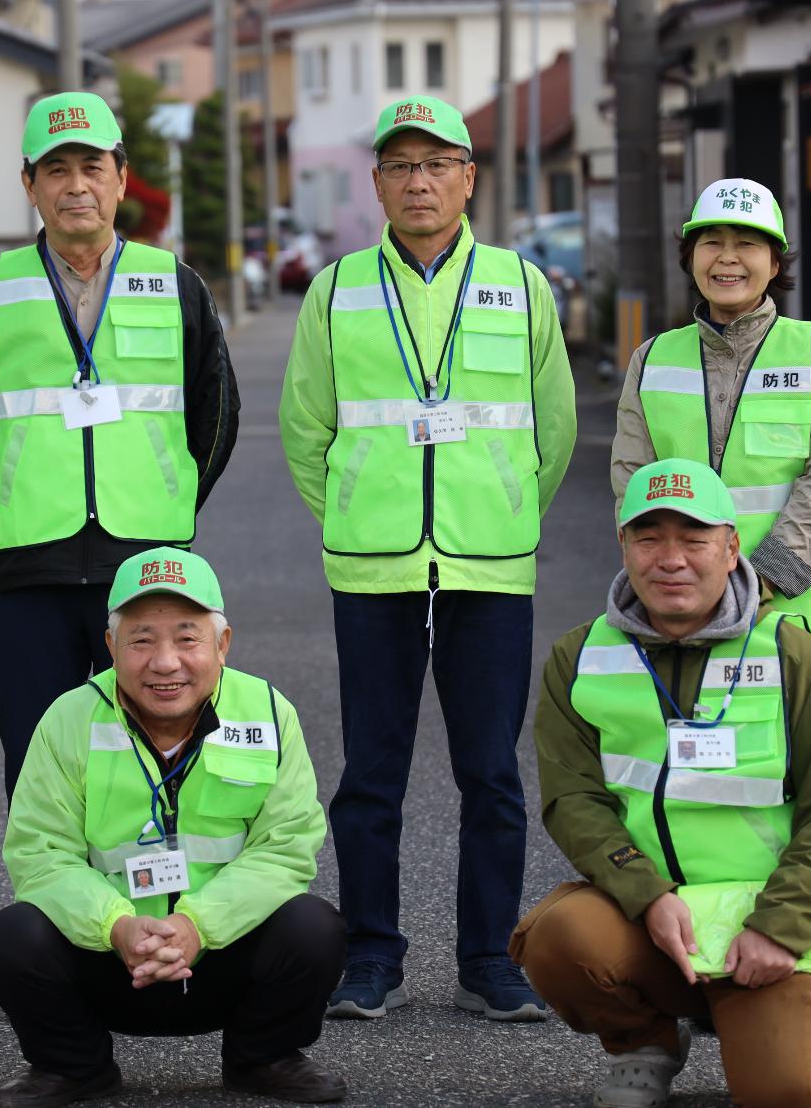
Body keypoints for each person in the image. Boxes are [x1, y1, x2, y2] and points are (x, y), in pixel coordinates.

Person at [278, 94, 577, 1023]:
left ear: (468, 178)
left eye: (437, 163)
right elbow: (306, 425)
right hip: (374, 565)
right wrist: (359, 509)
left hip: (490, 562)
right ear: (376, 183)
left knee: (490, 769)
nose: (419, 180)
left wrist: (506, 505)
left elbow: (553, 426)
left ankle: (490, 956)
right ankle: (371, 955)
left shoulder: (523, 287)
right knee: (372, 769)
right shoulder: (336, 290)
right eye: (401, 165)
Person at [512, 459, 811, 1108]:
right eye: (649, 537)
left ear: (731, 548)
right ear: (623, 545)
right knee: (558, 939)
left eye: (694, 538)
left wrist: (781, 926)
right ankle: (644, 1042)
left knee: (793, 1091)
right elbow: (574, 801)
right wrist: (646, 894)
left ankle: (758, 1008)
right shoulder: (580, 656)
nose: (670, 558)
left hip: (769, 924)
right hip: (657, 919)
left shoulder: (791, 652)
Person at [0, 91, 240, 797]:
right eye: (56, 168)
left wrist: (169, 498)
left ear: (121, 178)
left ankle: (150, 909)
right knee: (41, 768)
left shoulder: (176, 286)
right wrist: (11, 505)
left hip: (148, 574)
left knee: (152, 764)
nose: (76, 185)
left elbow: (216, 417)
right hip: (27, 577)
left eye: (92, 166)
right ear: (29, 184)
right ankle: (51, 909)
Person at [0, 549, 347, 1107]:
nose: (166, 662)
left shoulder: (269, 713)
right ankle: (75, 1067)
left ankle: (263, 1057)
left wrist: (198, 925)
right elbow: (40, 854)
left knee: (315, 927)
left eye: (187, 638)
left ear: (222, 644)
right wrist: (117, 927)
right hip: (110, 958)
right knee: (13, 937)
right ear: (111, 647)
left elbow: (286, 849)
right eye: (143, 639)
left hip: (222, 955)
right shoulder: (69, 719)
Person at [612, 177, 811, 669]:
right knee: (686, 746)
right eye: (711, 243)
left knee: (797, 747)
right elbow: (632, 487)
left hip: (795, 616)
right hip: (682, 611)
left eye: (746, 243)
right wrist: (685, 592)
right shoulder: (652, 358)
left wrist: (758, 585)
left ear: (773, 261)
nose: (727, 258)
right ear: (691, 257)